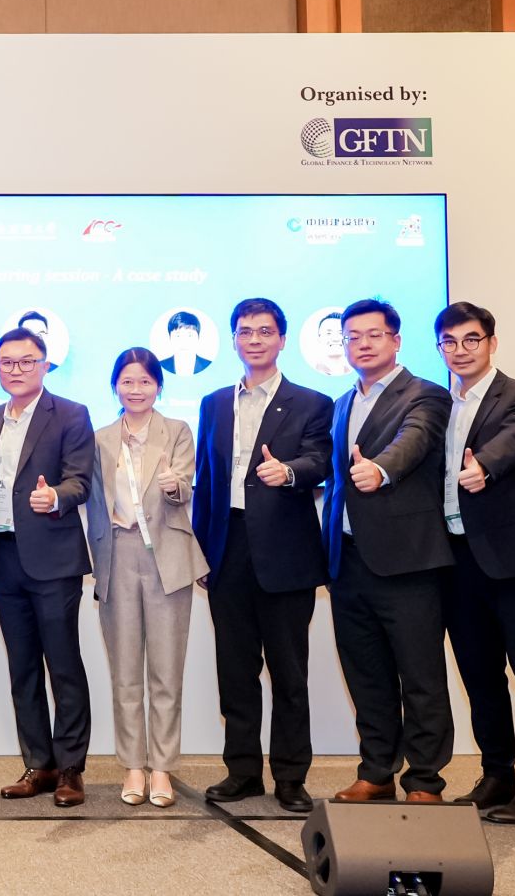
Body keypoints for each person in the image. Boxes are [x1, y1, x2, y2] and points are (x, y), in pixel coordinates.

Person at [192, 298, 333, 814]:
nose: (254, 339)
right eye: (245, 331)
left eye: (265, 331)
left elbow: (321, 461)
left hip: (285, 553)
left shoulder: (312, 402)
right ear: (233, 339)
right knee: (235, 669)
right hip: (227, 546)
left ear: (282, 339)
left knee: (290, 674)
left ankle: (291, 777)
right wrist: (201, 551)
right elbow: (206, 481)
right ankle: (243, 772)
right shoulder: (212, 403)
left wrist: (289, 471)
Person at [434, 302, 515, 824]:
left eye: (471, 339)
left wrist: (484, 466)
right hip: (454, 560)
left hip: (512, 558)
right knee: (479, 673)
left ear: (491, 343)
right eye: (449, 342)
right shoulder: (437, 404)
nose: (460, 350)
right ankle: (497, 776)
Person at [324, 299, 455, 803]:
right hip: (349, 560)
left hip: (408, 562)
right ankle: (377, 772)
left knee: (420, 675)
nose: (362, 344)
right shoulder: (342, 403)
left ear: (396, 341)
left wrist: (380, 469)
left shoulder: (426, 394)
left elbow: (413, 440)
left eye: (373, 335)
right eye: (352, 337)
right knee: (367, 675)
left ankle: (425, 780)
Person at [84, 348, 203, 808]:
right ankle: (133, 765)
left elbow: (185, 488)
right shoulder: (99, 438)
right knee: (126, 671)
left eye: (145, 382)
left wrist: (176, 486)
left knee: (166, 671)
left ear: (159, 386)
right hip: (118, 555)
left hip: (166, 556)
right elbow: (91, 501)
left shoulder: (177, 431)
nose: (136, 390)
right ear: (116, 386)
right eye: (127, 381)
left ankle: (162, 768)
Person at [0, 326, 95, 807]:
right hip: (3, 556)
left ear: (45, 365)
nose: (16, 370)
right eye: (7, 362)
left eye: (26, 361)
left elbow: (80, 480)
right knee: (22, 667)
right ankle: (39, 763)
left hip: (53, 559)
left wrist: (56, 497)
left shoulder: (70, 413)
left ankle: (70, 768)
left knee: (63, 665)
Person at [160, 311, 212, 375]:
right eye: (178, 336)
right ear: (170, 338)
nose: (183, 342)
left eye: (190, 335)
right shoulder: (160, 366)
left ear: (198, 337)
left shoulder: (208, 365)